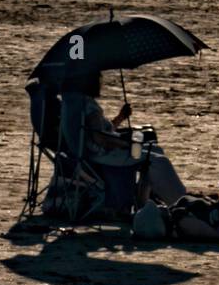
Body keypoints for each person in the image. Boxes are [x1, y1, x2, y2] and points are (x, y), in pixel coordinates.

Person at [61, 70, 187, 204]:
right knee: (156, 159)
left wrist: (121, 117)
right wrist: (126, 144)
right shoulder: (87, 105)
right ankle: (179, 201)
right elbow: (100, 139)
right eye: (98, 78)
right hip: (106, 155)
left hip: (99, 152)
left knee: (155, 150)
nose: (100, 82)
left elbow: (101, 131)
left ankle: (144, 199)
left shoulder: (73, 102)